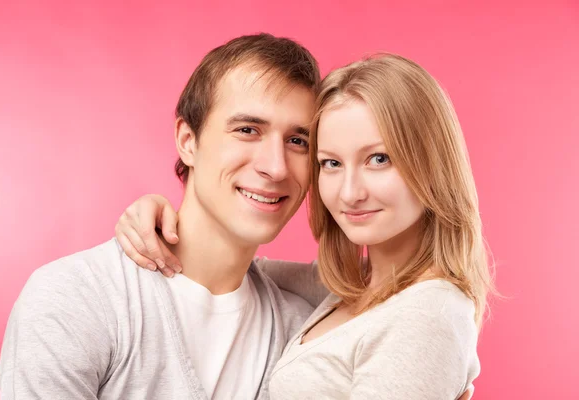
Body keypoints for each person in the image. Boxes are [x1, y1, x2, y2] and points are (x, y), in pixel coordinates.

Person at [117, 54, 493, 399]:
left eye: (379, 159)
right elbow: (240, 266)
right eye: (331, 163)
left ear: (432, 164)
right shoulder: (354, 286)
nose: (350, 193)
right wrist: (158, 219)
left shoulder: (427, 313)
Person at [0, 33, 321, 399]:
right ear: (187, 141)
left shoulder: (304, 331)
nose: (276, 167)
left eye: (298, 141)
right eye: (247, 130)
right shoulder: (76, 298)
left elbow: (390, 286)